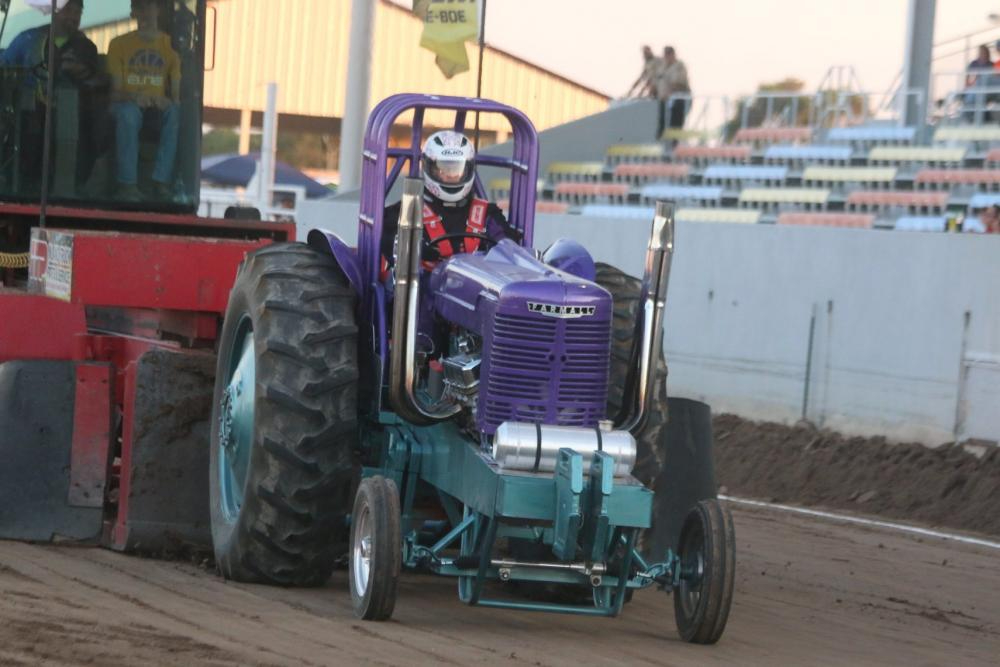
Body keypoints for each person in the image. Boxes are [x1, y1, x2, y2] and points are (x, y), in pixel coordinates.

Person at [380, 130, 521, 278]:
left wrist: (495, 251)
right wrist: (414, 248)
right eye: (444, 169)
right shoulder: (407, 211)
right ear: (429, 168)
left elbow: (508, 246)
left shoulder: (487, 214)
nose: (451, 176)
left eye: (457, 169)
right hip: (421, 293)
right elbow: (389, 245)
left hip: (472, 291)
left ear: (469, 169)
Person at [0, 0, 101, 189]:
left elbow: (92, 83)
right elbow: (5, 71)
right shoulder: (28, 39)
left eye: (78, 12)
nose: (74, 16)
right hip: (25, 116)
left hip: (71, 120)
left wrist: (75, 71)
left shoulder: (86, 47)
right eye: (68, 10)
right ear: (54, 11)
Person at [107, 0, 181, 201]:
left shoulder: (171, 47)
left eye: (150, 5)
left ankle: (161, 182)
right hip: (125, 104)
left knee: (175, 113)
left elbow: (176, 96)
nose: (145, 11)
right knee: (128, 114)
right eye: (140, 6)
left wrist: (165, 100)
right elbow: (115, 92)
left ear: (159, 9)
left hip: (156, 107)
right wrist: (135, 97)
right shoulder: (118, 44)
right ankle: (127, 185)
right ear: (133, 12)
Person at [655, 46, 691, 141]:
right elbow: (658, 80)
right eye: (665, 54)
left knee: (676, 123)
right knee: (662, 125)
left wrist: (669, 92)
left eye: (668, 54)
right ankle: (664, 140)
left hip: (678, 99)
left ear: (673, 54)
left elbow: (680, 83)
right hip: (664, 100)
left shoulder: (679, 66)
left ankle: (675, 143)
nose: (667, 57)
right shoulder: (663, 67)